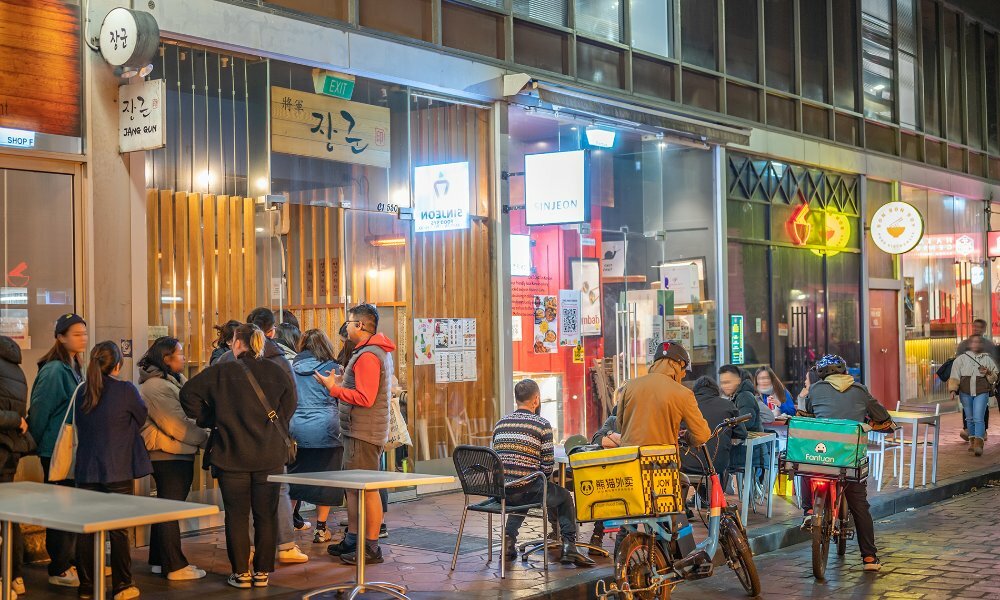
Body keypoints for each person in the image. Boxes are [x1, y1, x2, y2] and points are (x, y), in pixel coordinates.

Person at [181, 324, 297, 589]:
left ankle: (241, 573)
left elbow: (187, 394)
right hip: (269, 456)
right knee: (266, 514)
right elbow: (289, 406)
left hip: (231, 455)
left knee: (236, 515)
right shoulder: (276, 372)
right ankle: (262, 572)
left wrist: (211, 417)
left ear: (237, 343)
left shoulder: (221, 372)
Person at [217, 308, 308, 563]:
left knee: (240, 497)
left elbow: (209, 396)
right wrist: (276, 424)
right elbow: (292, 399)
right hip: (270, 440)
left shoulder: (226, 359)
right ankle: (285, 547)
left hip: (235, 441)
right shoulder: (278, 359)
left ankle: (246, 551)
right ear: (271, 331)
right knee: (276, 490)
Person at [316, 304, 396, 566]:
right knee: (354, 489)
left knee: (366, 489)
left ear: (360, 325)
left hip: (364, 431)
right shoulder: (368, 352)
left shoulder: (369, 355)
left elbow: (365, 397)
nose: (346, 327)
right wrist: (340, 383)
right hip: (359, 428)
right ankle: (354, 538)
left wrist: (334, 389)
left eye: (349, 323)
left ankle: (371, 547)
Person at [74, 341, 152, 600]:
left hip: (86, 468)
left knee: (87, 529)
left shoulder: (82, 390)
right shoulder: (126, 390)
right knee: (119, 530)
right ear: (117, 365)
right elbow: (141, 417)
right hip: (117, 467)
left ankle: (87, 587)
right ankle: (122, 585)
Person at [802, 354, 892, 572]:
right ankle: (869, 558)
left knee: (806, 466)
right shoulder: (860, 390)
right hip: (850, 458)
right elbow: (882, 416)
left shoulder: (815, 390)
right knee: (860, 505)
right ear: (844, 372)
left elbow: (811, 414)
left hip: (822, 455)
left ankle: (807, 511)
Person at [491, 379, 595, 567]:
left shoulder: (500, 423)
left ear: (517, 399)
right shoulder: (542, 425)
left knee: (522, 487)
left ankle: (508, 540)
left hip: (501, 492)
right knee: (562, 496)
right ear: (536, 400)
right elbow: (547, 466)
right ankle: (569, 546)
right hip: (525, 490)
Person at [138, 337, 209, 581]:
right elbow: (177, 425)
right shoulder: (157, 386)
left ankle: (159, 560)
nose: (183, 357)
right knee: (170, 509)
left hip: (176, 452)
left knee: (165, 508)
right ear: (166, 358)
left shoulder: (172, 381)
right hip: (168, 454)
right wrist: (207, 440)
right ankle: (175, 566)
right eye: (179, 353)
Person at [27, 313, 87, 589]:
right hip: (56, 448)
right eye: (76, 334)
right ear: (60, 337)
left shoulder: (74, 365)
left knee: (70, 506)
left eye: (84, 333)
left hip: (69, 446)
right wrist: (36, 443)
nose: (82, 338)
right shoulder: (54, 370)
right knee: (61, 507)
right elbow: (40, 411)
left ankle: (69, 561)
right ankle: (59, 566)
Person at [288, 329, 344, 544]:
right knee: (327, 479)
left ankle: (286, 530)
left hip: (296, 431)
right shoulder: (333, 369)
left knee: (292, 480)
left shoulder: (290, 369)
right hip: (327, 429)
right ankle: (321, 529)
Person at [618, 342, 711, 448]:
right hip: (661, 461)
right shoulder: (683, 394)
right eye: (683, 368)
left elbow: (620, 424)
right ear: (676, 365)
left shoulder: (629, 386)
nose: (684, 374)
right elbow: (701, 435)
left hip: (630, 459)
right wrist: (687, 437)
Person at [0, 336, 35, 598]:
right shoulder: (14, 366)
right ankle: (14, 575)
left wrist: (15, 420)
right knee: (8, 515)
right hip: (9, 450)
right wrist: (18, 422)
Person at [681, 376, 747, 479]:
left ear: (695, 390)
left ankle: (700, 494)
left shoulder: (686, 405)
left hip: (687, 463)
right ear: (716, 390)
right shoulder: (728, 405)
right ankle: (713, 494)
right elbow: (742, 433)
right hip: (717, 463)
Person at [949, 334, 998, 457]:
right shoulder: (961, 359)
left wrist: (988, 372)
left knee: (978, 418)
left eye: (978, 342)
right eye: (974, 342)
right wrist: (953, 390)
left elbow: (994, 378)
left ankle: (979, 445)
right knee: (969, 418)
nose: (976, 344)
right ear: (970, 344)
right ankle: (972, 442)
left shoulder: (987, 359)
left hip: (982, 392)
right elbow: (954, 375)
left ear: (981, 345)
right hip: (965, 393)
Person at [586, 405, 620, 554]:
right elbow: (597, 439)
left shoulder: (639, 420)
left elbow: (634, 440)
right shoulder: (613, 420)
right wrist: (619, 439)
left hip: (629, 473)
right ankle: (597, 534)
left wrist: (612, 436)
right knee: (606, 486)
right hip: (611, 471)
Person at [956, 320, 995, 440]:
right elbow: (957, 361)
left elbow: (993, 363)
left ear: (984, 329)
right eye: (974, 326)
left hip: (982, 383)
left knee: (983, 407)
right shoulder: (964, 344)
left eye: (979, 327)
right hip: (967, 382)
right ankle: (968, 429)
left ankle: (982, 432)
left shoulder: (988, 345)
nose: (976, 329)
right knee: (967, 407)